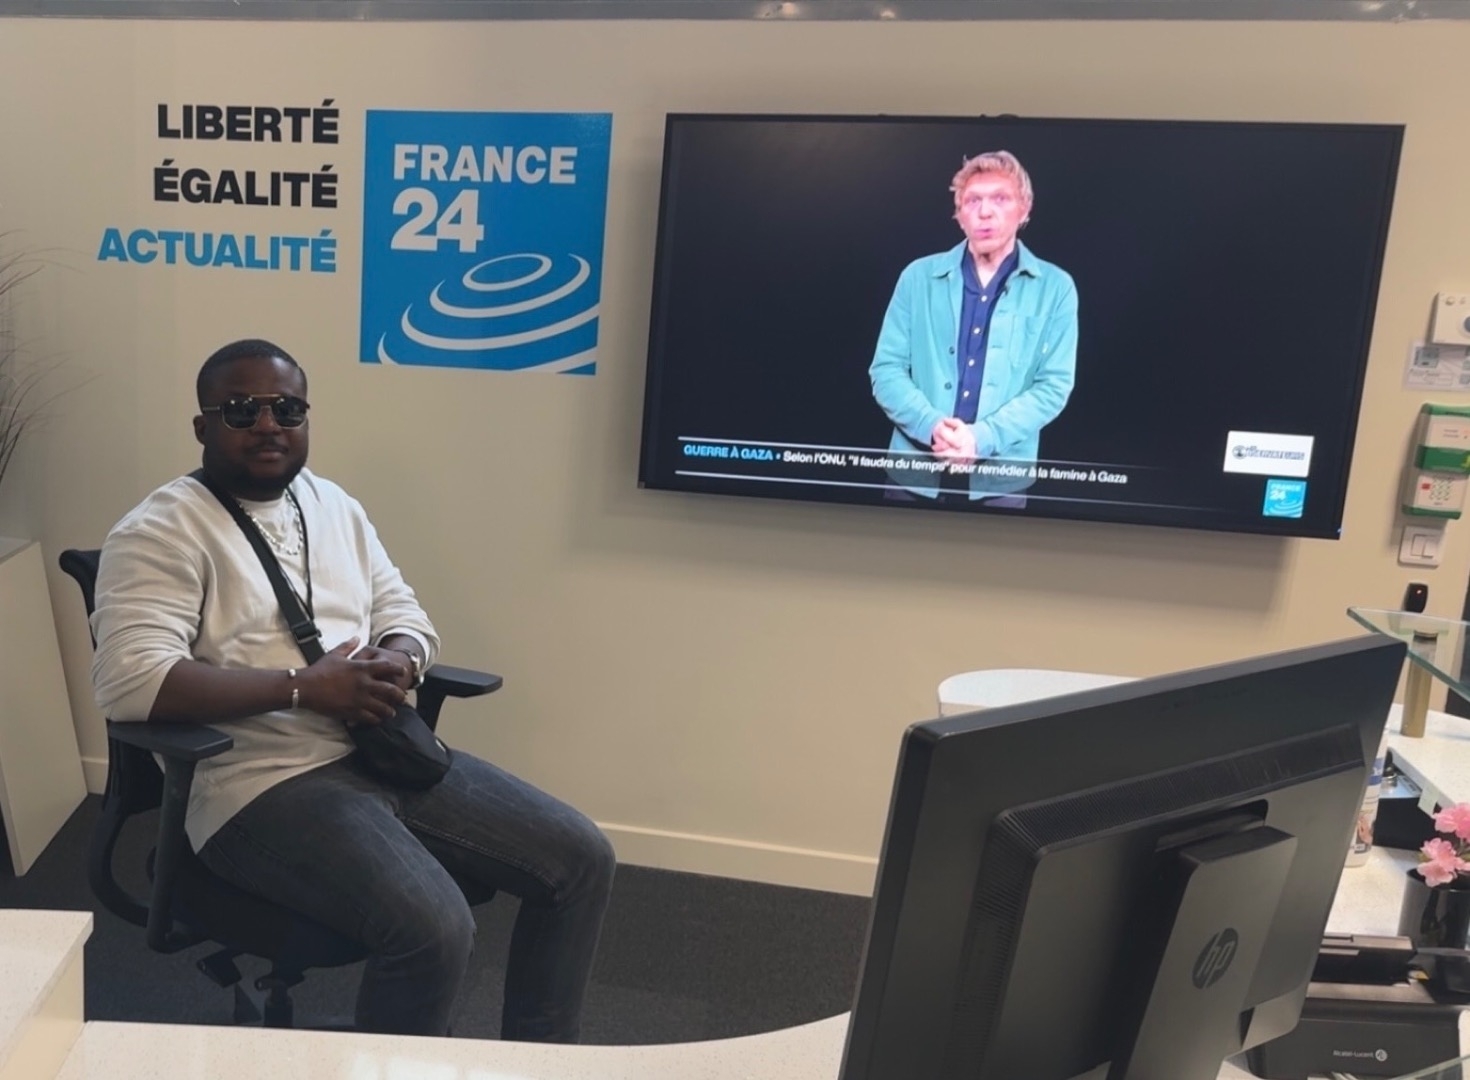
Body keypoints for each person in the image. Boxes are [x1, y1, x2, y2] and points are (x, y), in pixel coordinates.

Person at [89, 338, 615, 1041]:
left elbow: (406, 615)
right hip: (257, 786)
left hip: (379, 751)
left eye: (288, 409)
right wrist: (302, 689)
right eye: (242, 410)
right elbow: (132, 683)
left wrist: (400, 660)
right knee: (434, 925)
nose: (269, 424)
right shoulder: (159, 531)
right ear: (202, 426)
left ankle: (542, 1061)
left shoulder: (332, 504)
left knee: (581, 858)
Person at [869, 150, 1078, 503]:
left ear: (1024, 209)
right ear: (959, 214)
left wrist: (981, 439)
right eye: (973, 200)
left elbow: (1053, 386)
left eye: (1000, 198)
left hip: (1001, 485)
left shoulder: (1056, 288)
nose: (985, 212)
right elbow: (886, 369)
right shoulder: (917, 277)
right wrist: (932, 426)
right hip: (911, 480)